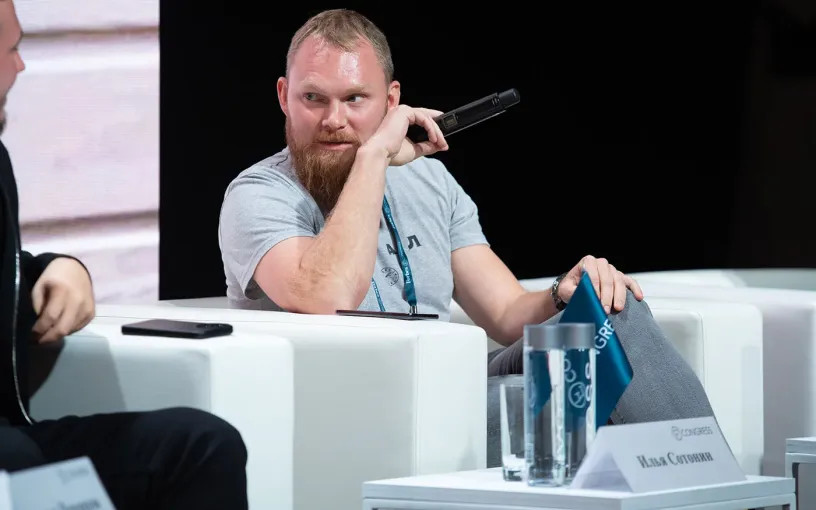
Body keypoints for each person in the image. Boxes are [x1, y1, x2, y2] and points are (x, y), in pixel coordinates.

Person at [218, 8, 714, 424]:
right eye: (313, 98)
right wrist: (373, 156)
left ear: (390, 102)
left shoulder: (430, 183)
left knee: (610, 313)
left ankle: (714, 485)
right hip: (361, 408)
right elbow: (327, 296)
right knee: (555, 399)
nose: (334, 119)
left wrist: (565, 291)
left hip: (450, 384)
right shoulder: (259, 194)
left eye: (354, 99)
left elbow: (507, 314)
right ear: (283, 97)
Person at [0, 1, 248, 508]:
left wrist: (55, 268)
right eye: (11, 50)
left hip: (13, 432)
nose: (21, 67)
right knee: (18, 464)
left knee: (201, 445)